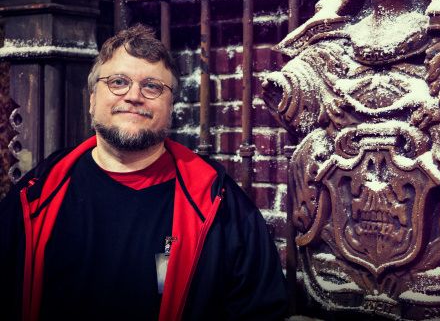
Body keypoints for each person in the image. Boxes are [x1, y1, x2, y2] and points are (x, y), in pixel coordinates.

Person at [0, 24, 288, 321]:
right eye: (118, 82)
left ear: (171, 105)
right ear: (92, 101)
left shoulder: (219, 204)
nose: (134, 96)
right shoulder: (36, 195)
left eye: (152, 86)